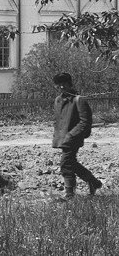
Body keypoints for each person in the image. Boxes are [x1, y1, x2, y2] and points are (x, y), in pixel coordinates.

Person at [52, 72, 102, 200]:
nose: (62, 87)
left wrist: (71, 135)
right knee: (71, 163)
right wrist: (58, 137)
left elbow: (85, 122)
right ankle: (93, 182)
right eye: (59, 85)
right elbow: (58, 120)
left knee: (65, 164)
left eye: (64, 84)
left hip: (74, 138)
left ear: (70, 84)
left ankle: (70, 195)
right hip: (62, 139)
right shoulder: (58, 100)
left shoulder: (78, 100)